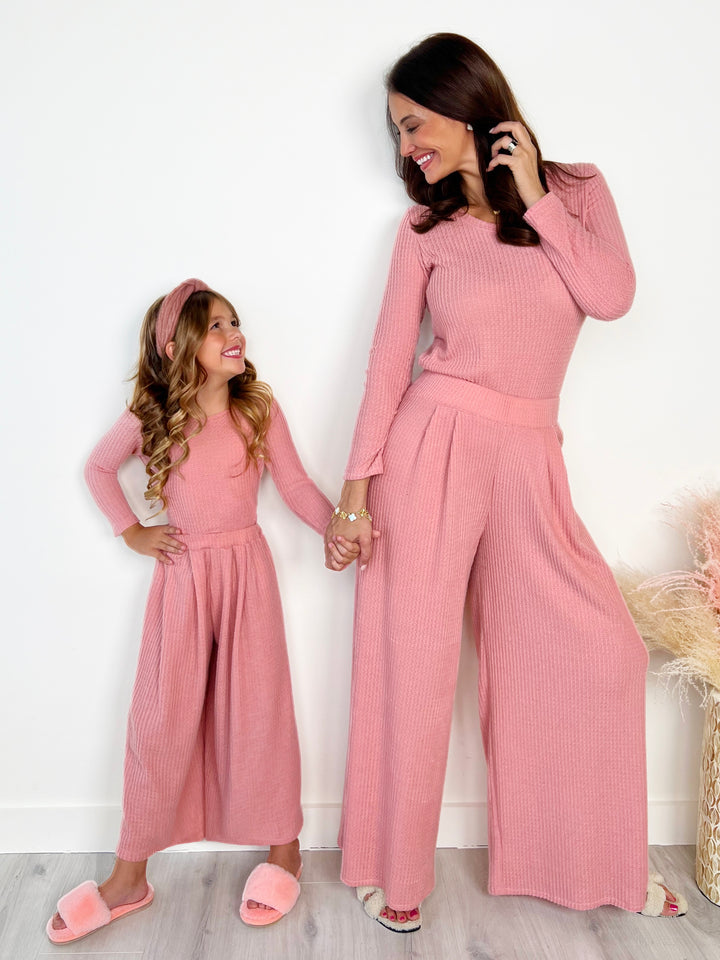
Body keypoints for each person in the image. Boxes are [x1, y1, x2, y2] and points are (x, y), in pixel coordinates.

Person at [324, 33, 687, 932]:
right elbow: (386, 366)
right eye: (396, 131)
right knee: (413, 666)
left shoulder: (576, 191)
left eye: (415, 122)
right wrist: (355, 496)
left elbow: (611, 297)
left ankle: (595, 863)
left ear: (465, 103)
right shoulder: (423, 232)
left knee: (601, 651)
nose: (407, 145)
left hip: (530, 455)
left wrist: (535, 195)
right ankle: (395, 873)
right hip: (431, 448)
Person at [47, 279, 356, 944]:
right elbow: (98, 469)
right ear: (178, 345)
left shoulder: (257, 409)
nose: (233, 333)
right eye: (215, 325)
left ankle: (284, 850)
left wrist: (337, 526)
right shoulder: (152, 416)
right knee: (161, 722)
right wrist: (132, 532)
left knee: (259, 712)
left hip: (247, 578)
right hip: (182, 581)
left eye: (233, 321)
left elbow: (294, 483)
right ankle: (129, 877)